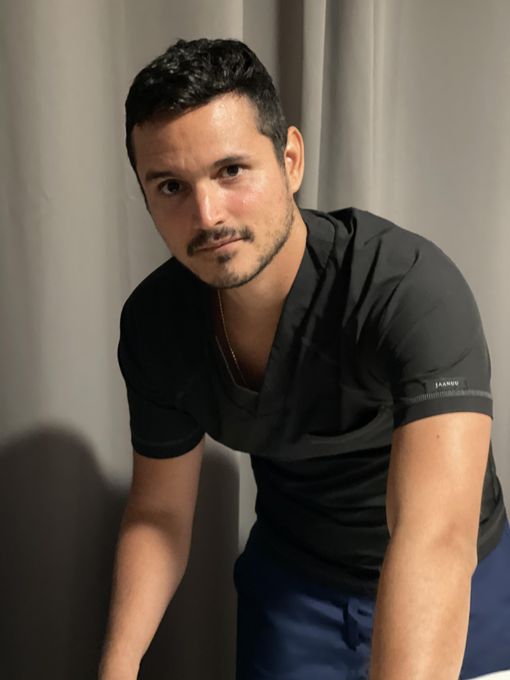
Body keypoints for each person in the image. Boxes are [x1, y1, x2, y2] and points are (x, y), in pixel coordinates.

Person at [99, 37, 510, 680]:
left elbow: (435, 538)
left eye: (231, 171)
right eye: (172, 186)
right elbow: (158, 515)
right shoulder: (157, 323)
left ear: (289, 160)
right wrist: (117, 669)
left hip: (457, 578)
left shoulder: (406, 288)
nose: (207, 214)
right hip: (295, 591)